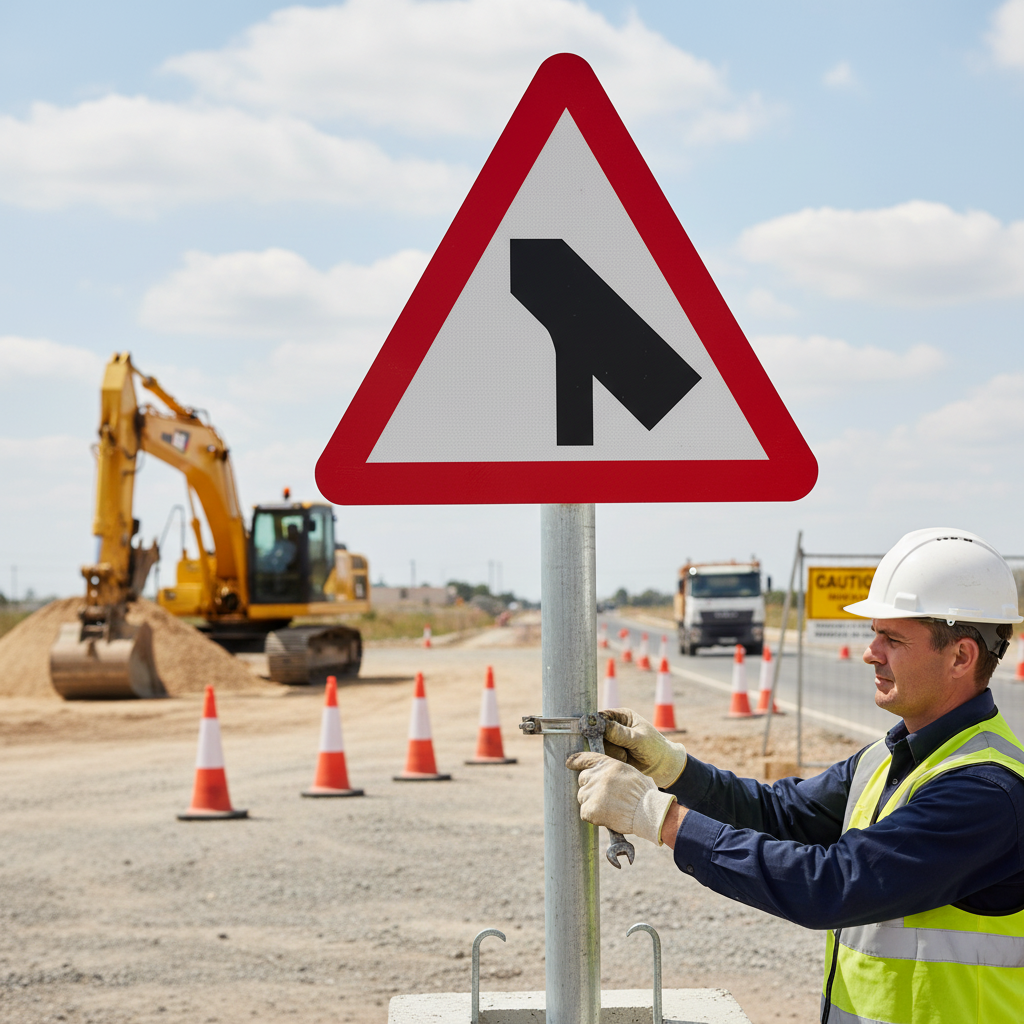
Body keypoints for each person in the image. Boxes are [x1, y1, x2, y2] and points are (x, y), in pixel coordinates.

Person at [568, 528, 1024, 1024]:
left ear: (961, 656)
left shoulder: (986, 791)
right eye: (874, 634)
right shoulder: (887, 757)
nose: (871, 652)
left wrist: (660, 818)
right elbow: (781, 813)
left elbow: (832, 885)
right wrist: (670, 767)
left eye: (892, 639)